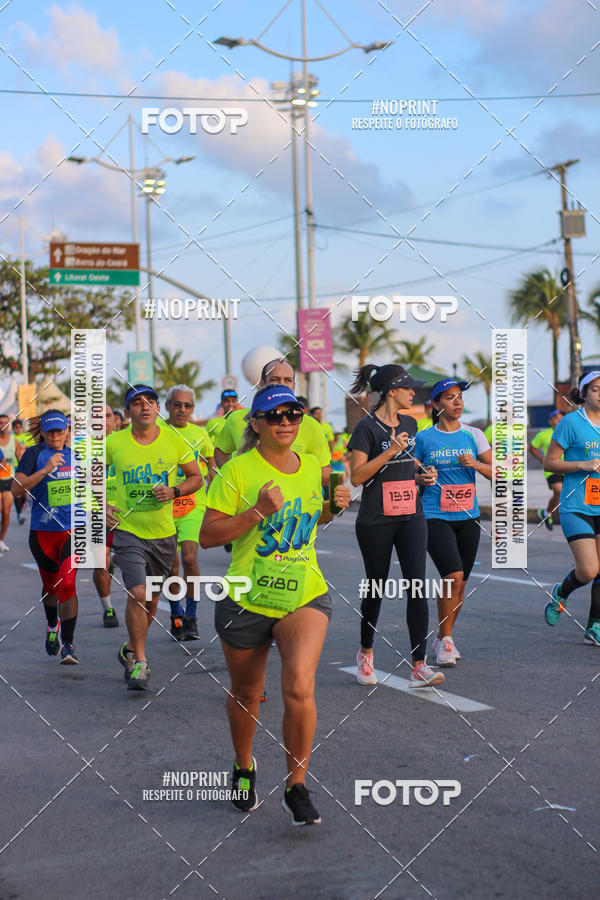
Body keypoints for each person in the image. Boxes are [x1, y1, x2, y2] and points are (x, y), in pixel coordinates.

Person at [200, 384, 350, 825]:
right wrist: (257, 512)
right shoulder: (238, 472)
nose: (286, 422)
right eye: (275, 415)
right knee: (248, 693)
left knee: (300, 686)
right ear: (256, 424)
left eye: (293, 414)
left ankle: (296, 785)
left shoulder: (311, 468)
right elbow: (208, 536)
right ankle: (244, 763)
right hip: (247, 597)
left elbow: (309, 519)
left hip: (303, 592)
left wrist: (331, 508)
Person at [348, 364, 444, 689]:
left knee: (417, 584)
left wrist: (423, 478)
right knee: (376, 585)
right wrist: (390, 450)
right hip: (375, 519)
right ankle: (365, 653)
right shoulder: (365, 427)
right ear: (392, 391)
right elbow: (358, 477)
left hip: (411, 514)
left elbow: (404, 473)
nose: (414, 393)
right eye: (409, 388)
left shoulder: (410, 422)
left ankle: (419, 666)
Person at [107, 385, 203, 690]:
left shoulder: (175, 441)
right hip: (128, 530)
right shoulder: (114, 443)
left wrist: (174, 491)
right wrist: (100, 503)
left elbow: (196, 477)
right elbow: (84, 475)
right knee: (137, 592)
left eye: (150, 402)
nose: (145, 406)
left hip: (163, 534)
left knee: (150, 600)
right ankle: (142, 664)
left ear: (158, 409)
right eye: (137, 403)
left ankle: (132, 649)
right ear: (127, 412)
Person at [414, 378, 492, 666]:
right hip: (435, 514)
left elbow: (496, 471)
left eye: (459, 397)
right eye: (449, 398)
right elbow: (411, 474)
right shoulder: (423, 438)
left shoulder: (474, 435)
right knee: (452, 576)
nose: (457, 402)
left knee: (461, 583)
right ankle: (445, 641)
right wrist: (421, 477)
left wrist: (476, 464)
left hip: (468, 516)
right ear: (436, 405)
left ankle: (443, 635)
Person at [12, 410, 79, 663]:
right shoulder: (33, 455)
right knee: (51, 587)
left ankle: (69, 645)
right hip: (42, 534)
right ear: (42, 433)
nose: (55, 436)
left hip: (72, 531)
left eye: (60, 431)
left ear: (66, 431)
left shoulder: (77, 454)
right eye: (50, 431)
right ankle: (53, 626)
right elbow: (16, 489)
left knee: (68, 583)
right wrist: (46, 470)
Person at [542, 372, 600, 644]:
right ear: (584, 393)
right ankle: (561, 592)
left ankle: (595, 626)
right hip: (577, 505)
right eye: (596, 389)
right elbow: (549, 462)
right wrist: (582, 465)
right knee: (589, 570)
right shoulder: (570, 423)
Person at [214, 360, 331, 486]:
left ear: (294, 386)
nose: (282, 385)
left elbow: (325, 470)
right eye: (275, 379)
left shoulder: (311, 425)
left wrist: (294, 480)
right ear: (262, 383)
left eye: (288, 380)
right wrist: (234, 480)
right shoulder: (236, 419)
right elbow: (221, 451)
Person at [162, 384, 215, 640]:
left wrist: (213, 475)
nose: (182, 410)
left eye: (187, 405)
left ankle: (191, 616)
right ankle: (176, 616)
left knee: (190, 559)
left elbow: (210, 461)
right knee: (171, 567)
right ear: (167, 406)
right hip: (163, 508)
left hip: (194, 506)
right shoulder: (157, 433)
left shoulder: (200, 433)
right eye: (177, 405)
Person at [92, 405, 119, 627]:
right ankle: (108, 608)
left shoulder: (126, 443)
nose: (102, 421)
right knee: (101, 562)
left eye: (107, 416)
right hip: (97, 512)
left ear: (115, 420)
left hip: (128, 512)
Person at [529, 409, 565, 530]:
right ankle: (563, 519)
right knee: (559, 491)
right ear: (550, 421)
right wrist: (541, 459)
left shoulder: (568, 432)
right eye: (556, 418)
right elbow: (532, 447)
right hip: (551, 469)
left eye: (561, 418)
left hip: (567, 468)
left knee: (557, 495)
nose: (559, 420)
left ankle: (546, 512)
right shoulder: (543, 434)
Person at [0, 413, 24, 550]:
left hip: (9, 479)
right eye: (0, 423)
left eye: (5, 423)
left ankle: (2, 539)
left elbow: (21, 461)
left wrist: (23, 478)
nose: (3, 425)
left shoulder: (14, 441)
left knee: (6, 512)